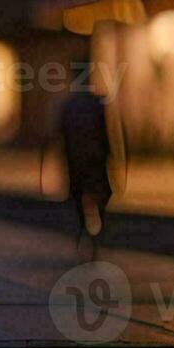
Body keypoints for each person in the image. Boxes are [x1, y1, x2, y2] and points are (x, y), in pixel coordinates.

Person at [59, 87, 114, 258]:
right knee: (94, 195)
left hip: (83, 160)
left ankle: (88, 233)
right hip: (90, 160)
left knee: (84, 197)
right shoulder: (91, 103)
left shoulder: (71, 105)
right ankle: (92, 234)